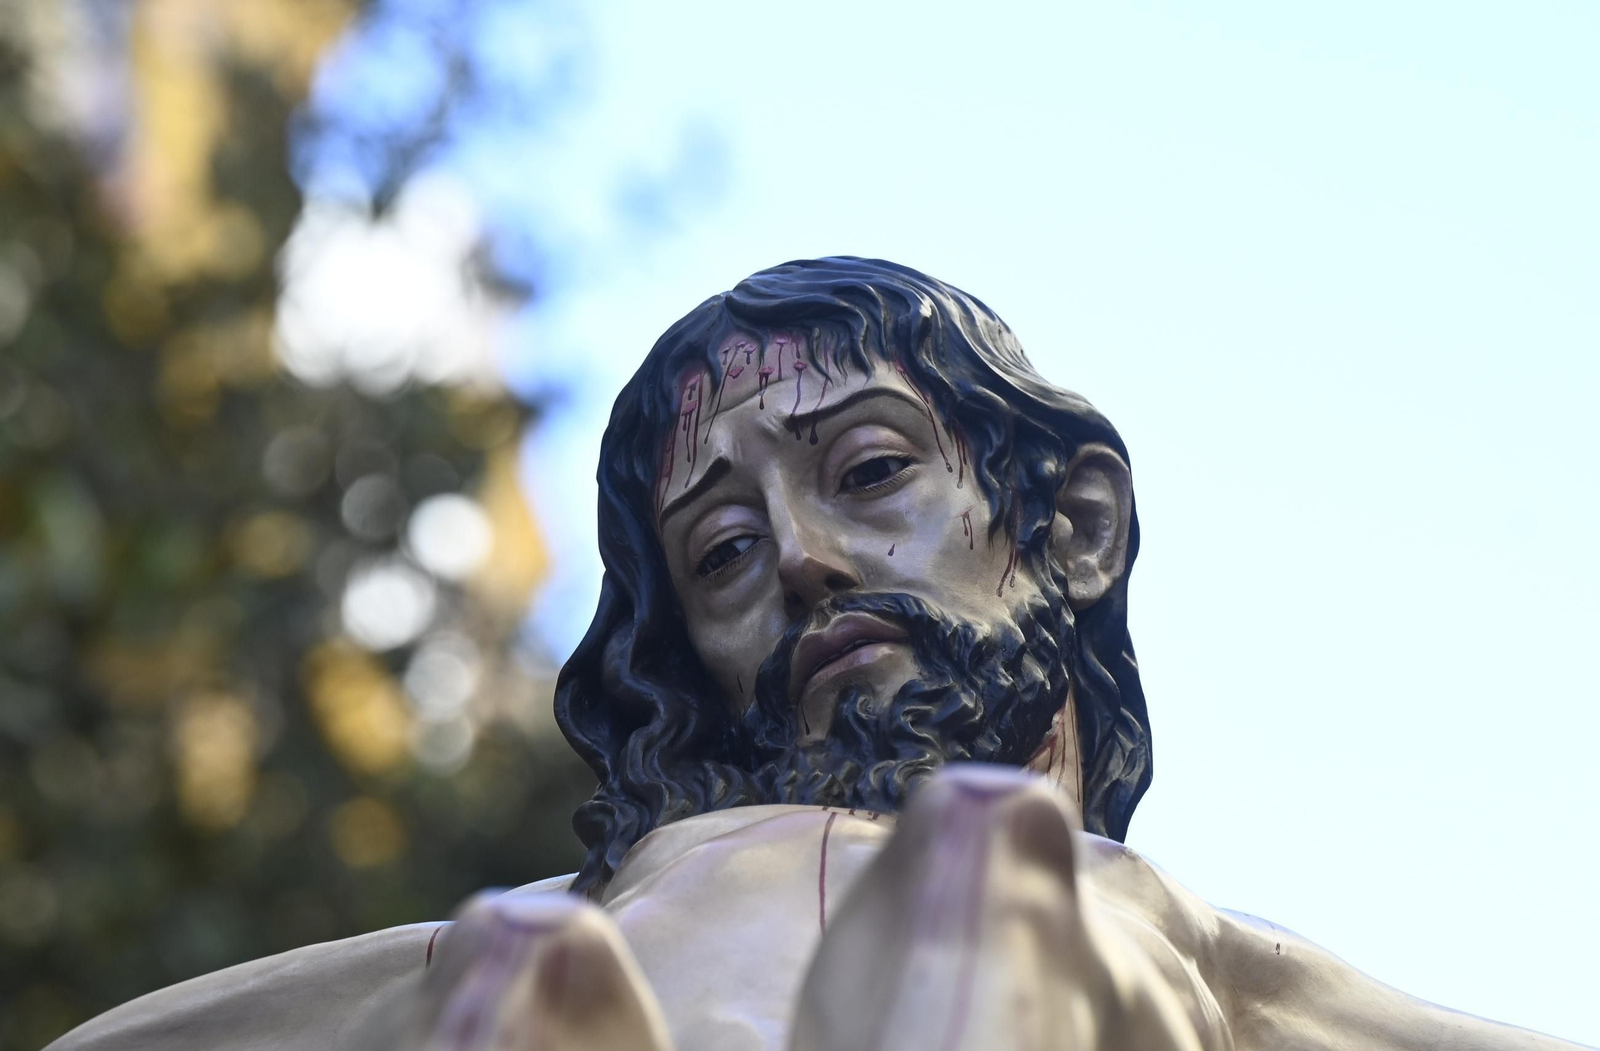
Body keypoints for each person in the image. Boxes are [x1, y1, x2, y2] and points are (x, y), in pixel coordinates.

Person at [48, 258, 1592, 1051]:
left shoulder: (1167, 933)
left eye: (868, 472)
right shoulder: (556, 925)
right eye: (719, 552)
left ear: (1071, 519)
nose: (799, 557)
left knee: (991, 888)